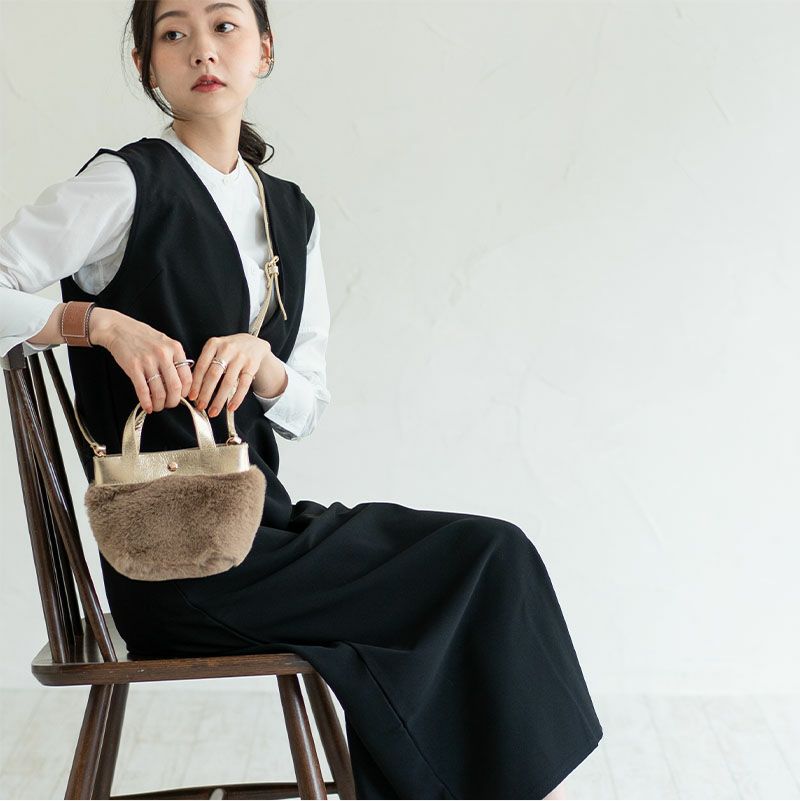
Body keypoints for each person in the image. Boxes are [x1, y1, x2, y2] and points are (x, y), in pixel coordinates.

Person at [0, 1, 603, 797]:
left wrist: (265, 366)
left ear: (264, 51)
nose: (202, 49)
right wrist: (96, 323)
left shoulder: (290, 212)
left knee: (493, 555)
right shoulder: (125, 183)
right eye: (173, 33)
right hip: (176, 564)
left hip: (266, 527)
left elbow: (306, 405)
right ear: (146, 66)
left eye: (224, 26)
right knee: (473, 566)